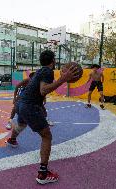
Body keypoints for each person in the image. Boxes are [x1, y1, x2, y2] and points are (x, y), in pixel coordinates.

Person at [6, 50, 80, 185]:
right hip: (29, 106)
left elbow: (37, 91)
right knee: (47, 136)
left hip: (21, 104)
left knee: (22, 125)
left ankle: (12, 139)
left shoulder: (39, 72)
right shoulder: (47, 71)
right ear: (53, 61)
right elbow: (43, 90)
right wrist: (63, 78)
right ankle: (43, 173)